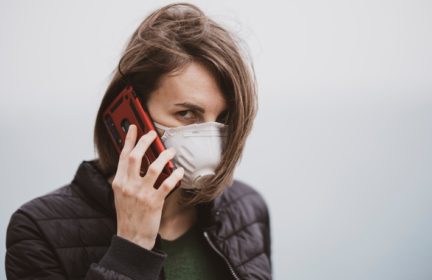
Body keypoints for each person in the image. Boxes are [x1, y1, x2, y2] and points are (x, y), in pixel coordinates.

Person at [5, 3, 271, 280]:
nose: (210, 141)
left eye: (223, 118)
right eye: (187, 113)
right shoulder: (37, 231)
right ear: (132, 113)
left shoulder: (247, 207)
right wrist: (130, 250)